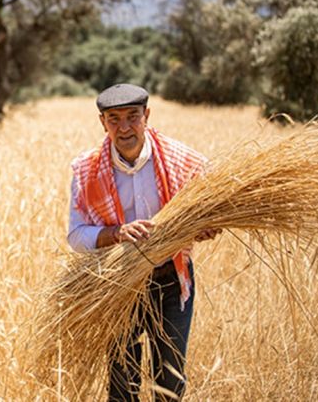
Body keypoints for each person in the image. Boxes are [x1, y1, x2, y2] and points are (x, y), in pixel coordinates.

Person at [67, 83, 217, 401]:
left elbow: (208, 211)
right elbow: (76, 235)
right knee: (123, 385)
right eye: (114, 119)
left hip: (172, 282)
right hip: (119, 287)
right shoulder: (86, 170)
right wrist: (116, 233)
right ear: (102, 122)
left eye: (132, 117)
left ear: (146, 116)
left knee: (171, 384)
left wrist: (205, 226)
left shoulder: (181, 160)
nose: (124, 128)